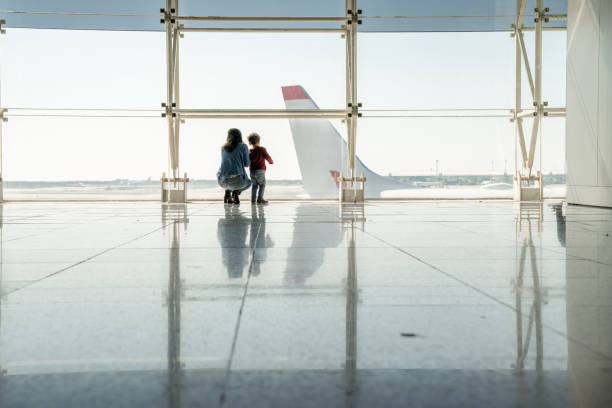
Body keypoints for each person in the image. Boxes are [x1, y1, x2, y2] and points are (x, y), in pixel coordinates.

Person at [217, 128, 251, 204]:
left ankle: (228, 193)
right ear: (239, 136)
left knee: (230, 174)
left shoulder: (223, 148)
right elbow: (247, 164)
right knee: (249, 183)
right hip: (237, 181)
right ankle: (236, 192)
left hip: (221, 180)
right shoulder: (243, 146)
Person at [247, 132, 274, 204]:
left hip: (252, 171)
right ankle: (260, 199)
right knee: (262, 185)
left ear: (250, 143)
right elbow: (267, 157)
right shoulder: (262, 149)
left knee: (254, 185)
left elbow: (247, 161)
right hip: (260, 171)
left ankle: (253, 200)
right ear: (259, 141)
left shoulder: (249, 152)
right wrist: (271, 162)